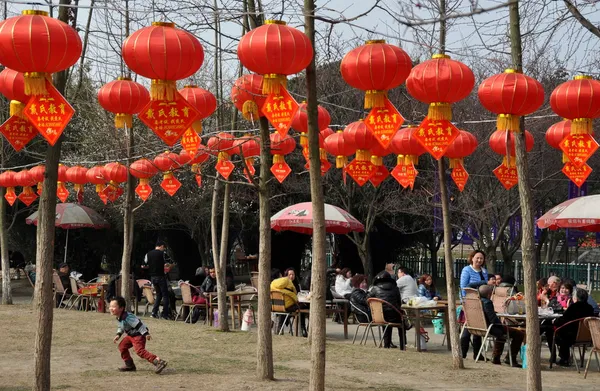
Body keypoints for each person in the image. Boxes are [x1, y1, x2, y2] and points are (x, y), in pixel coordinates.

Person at [109, 296, 167, 374]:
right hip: (131, 336)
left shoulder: (127, 317)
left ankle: (158, 361)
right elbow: (121, 326)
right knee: (122, 346)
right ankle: (129, 365)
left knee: (140, 351)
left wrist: (146, 333)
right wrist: (118, 334)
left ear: (121, 308)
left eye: (113, 306)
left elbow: (138, 324)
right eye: (110, 306)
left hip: (138, 335)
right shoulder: (119, 317)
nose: (110, 308)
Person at [478, 285, 525, 367]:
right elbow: (493, 319)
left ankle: (496, 357)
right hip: (491, 327)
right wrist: (500, 323)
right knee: (519, 334)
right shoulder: (487, 302)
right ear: (489, 294)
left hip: (481, 326)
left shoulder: (477, 301)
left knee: (502, 332)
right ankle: (510, 359)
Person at [552, 288, 595, 366]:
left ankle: (563, 358)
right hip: (586, 336)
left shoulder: (573, 307)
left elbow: (564, 319)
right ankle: (563, 358)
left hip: (571, 336)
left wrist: (554, 321)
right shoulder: (590, 308)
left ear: (576, 298)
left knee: (555, 333)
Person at [459, 250, 489, 359]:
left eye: (481, 258)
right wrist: (464, 301)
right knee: (468, 328)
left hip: (481, 302)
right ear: (472, 258)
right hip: (469, 301)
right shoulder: (467, 270)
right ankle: (463, 353)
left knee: (479, 328)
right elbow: (463, 286)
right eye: (477, 258)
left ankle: (477, 354)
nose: (479, 260)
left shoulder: (484, 271)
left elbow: (485, 287)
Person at [368, 271, 405, 349]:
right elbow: (399, 302)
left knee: (386, 318)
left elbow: (367, 299)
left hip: (380, 316)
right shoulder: (395, 288)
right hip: (395, 316)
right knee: (402, 320)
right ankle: (402, 345)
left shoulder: (374, 289)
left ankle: (386, 345)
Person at [144, 241, 170, 320]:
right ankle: (164, 314)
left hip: (153, 277)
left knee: (158, 295)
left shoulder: (148, 254)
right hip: (161, 276)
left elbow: (145, 264)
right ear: (161, 246)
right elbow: (169, 262)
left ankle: (154, 312)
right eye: (164, 247)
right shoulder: (163, 253)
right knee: (165, 295)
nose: (164, 249)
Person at [285, 267, 308, 337]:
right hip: (289, 306)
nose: (291, 276)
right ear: (286, 275)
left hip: (294, 303)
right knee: (303, 308)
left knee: (303, 306)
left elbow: (298, 294)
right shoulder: (285, 285)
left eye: (293, 274)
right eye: (290, 275)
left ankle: (303, 328)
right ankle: (302, 328)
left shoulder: (296, 284)